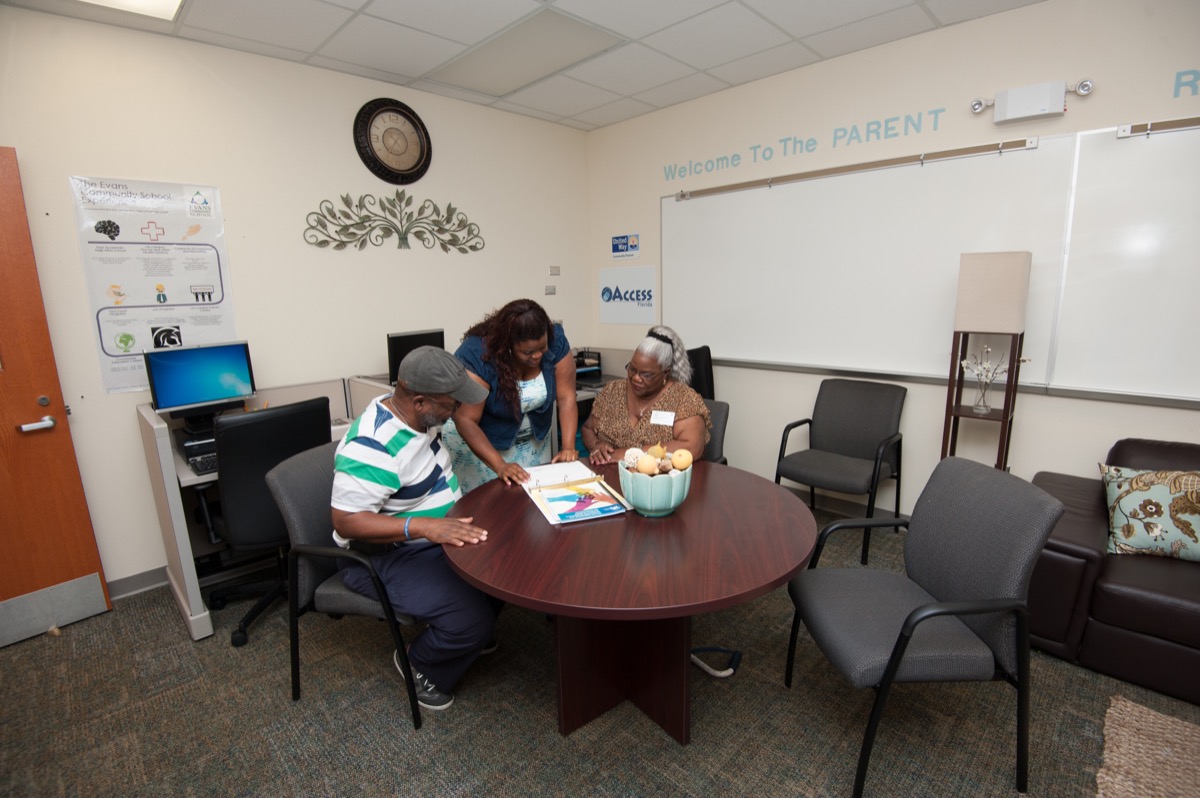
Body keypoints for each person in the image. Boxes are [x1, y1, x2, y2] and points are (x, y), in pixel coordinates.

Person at [331, 346, 497, 712]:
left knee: (503, 569)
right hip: (379, 556)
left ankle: (468, 635)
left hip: (425, 538)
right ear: (421, 401)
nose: (458, 413)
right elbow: (345, 521)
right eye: (453, 405)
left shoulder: (417, 417)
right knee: (470, 620)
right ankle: (419, 664)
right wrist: (424, 527)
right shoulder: (372, 445)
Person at [442, 298, 579, 493]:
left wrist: (567, 448)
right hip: (481, 447)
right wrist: (500, 465)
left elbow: (566, 398)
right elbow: (465, 419)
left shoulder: (555, 339)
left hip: (532, 445)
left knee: (532, 509)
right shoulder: (478, 353)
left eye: (542, 348)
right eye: (528, 352)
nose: (538, 356)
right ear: (508, 346)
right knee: (491, 512)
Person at [581, 325, 711, 466]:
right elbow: (587, 429)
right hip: (610, 474)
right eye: (632, 369)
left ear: (665, 373)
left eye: (646, 374)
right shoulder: (612, 391)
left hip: (659, 479)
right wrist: (595, 446)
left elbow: (692, 447)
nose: (636, 378)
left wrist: (632, 454)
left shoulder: (684, 399)